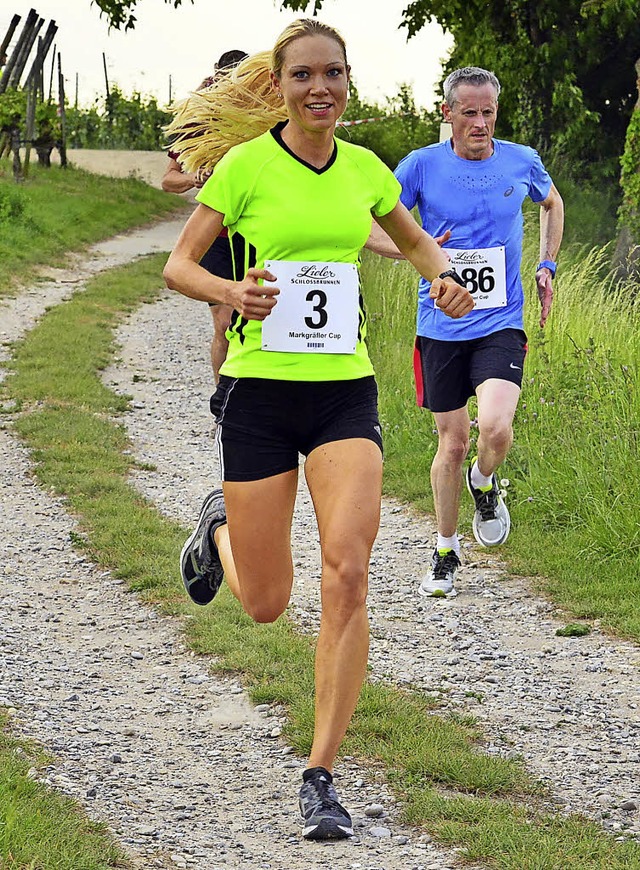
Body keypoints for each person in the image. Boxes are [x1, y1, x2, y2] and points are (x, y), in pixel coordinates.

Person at [163, 19, 473, 841]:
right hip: (259, 394)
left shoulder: (366, 169)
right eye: (303, 75)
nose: (320, 88)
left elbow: (412, 244)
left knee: (348, 570)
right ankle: (218, 529)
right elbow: (179, 265)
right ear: (280, 83)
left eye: (333, 74)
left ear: (346, 82)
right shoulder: (244, 166)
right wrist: (230, 297)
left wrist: (442, 282)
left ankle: (321, 774)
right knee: (267, 604)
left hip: (344, 394)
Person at [368, 66, 564, 598]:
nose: (480, 123)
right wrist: (420, 248)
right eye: (469, 112)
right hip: (441, 325)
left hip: (500, 319)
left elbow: (552, 202)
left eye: (488, 112)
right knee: (451, 443)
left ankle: (485, 481)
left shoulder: (521, 161)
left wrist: (547, 264)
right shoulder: (420, 166)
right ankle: (446, 549)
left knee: (495, 429)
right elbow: (369, 228)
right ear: (447, 113)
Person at [161, 50, 248, 382]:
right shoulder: (198, 122)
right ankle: (222, 399)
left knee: (260, 324)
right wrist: (194, 178)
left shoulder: (265, 118)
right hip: (217, 238)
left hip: (258, 235)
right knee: (225, 323)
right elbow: (168, 179)